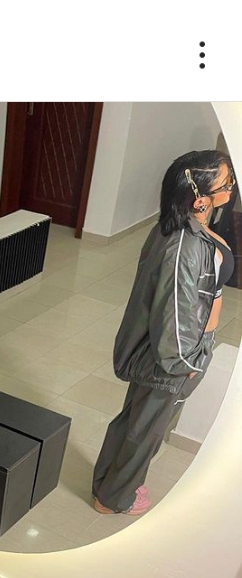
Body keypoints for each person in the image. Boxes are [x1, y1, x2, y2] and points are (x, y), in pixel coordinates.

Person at [92, 150, 236, 515]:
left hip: (175, 351)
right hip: (173, 357)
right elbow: (174, 316)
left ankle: (109, 484)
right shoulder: (184, 247)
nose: (231, 188)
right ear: (200, 198)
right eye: (226, 183)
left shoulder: (183, 228)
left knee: (135, 422)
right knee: (145, 431)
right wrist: (187, 363)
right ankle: (113, 500)